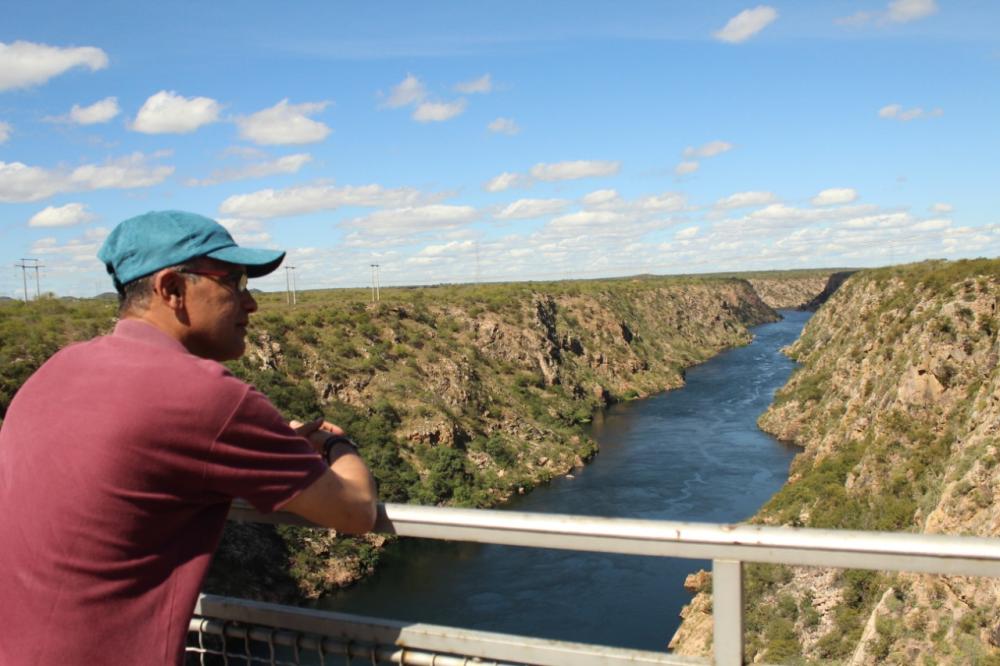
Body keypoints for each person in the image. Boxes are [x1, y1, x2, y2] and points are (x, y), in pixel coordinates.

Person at [0, 210, 378, 665]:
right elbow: (355, 512)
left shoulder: (57, 369)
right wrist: (337, 446)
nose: (251, 303)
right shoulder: (207, 397)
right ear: (172, 288)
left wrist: (274, 446)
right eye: (234, 282)